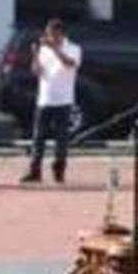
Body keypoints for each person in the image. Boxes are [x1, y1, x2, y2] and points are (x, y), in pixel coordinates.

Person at [22, 16, 81, 185]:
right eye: (48, 34)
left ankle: (59, 170)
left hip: (63, 100)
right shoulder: (44, 49)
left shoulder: (73, 48)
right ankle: (35, 170)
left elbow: (69, 63)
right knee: (38, 137)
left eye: (54, 34)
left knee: (61, 138)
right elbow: (37, 71)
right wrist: (34, 55)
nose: (50, 38)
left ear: (61, 34)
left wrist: (54, 48)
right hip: (45, 99)